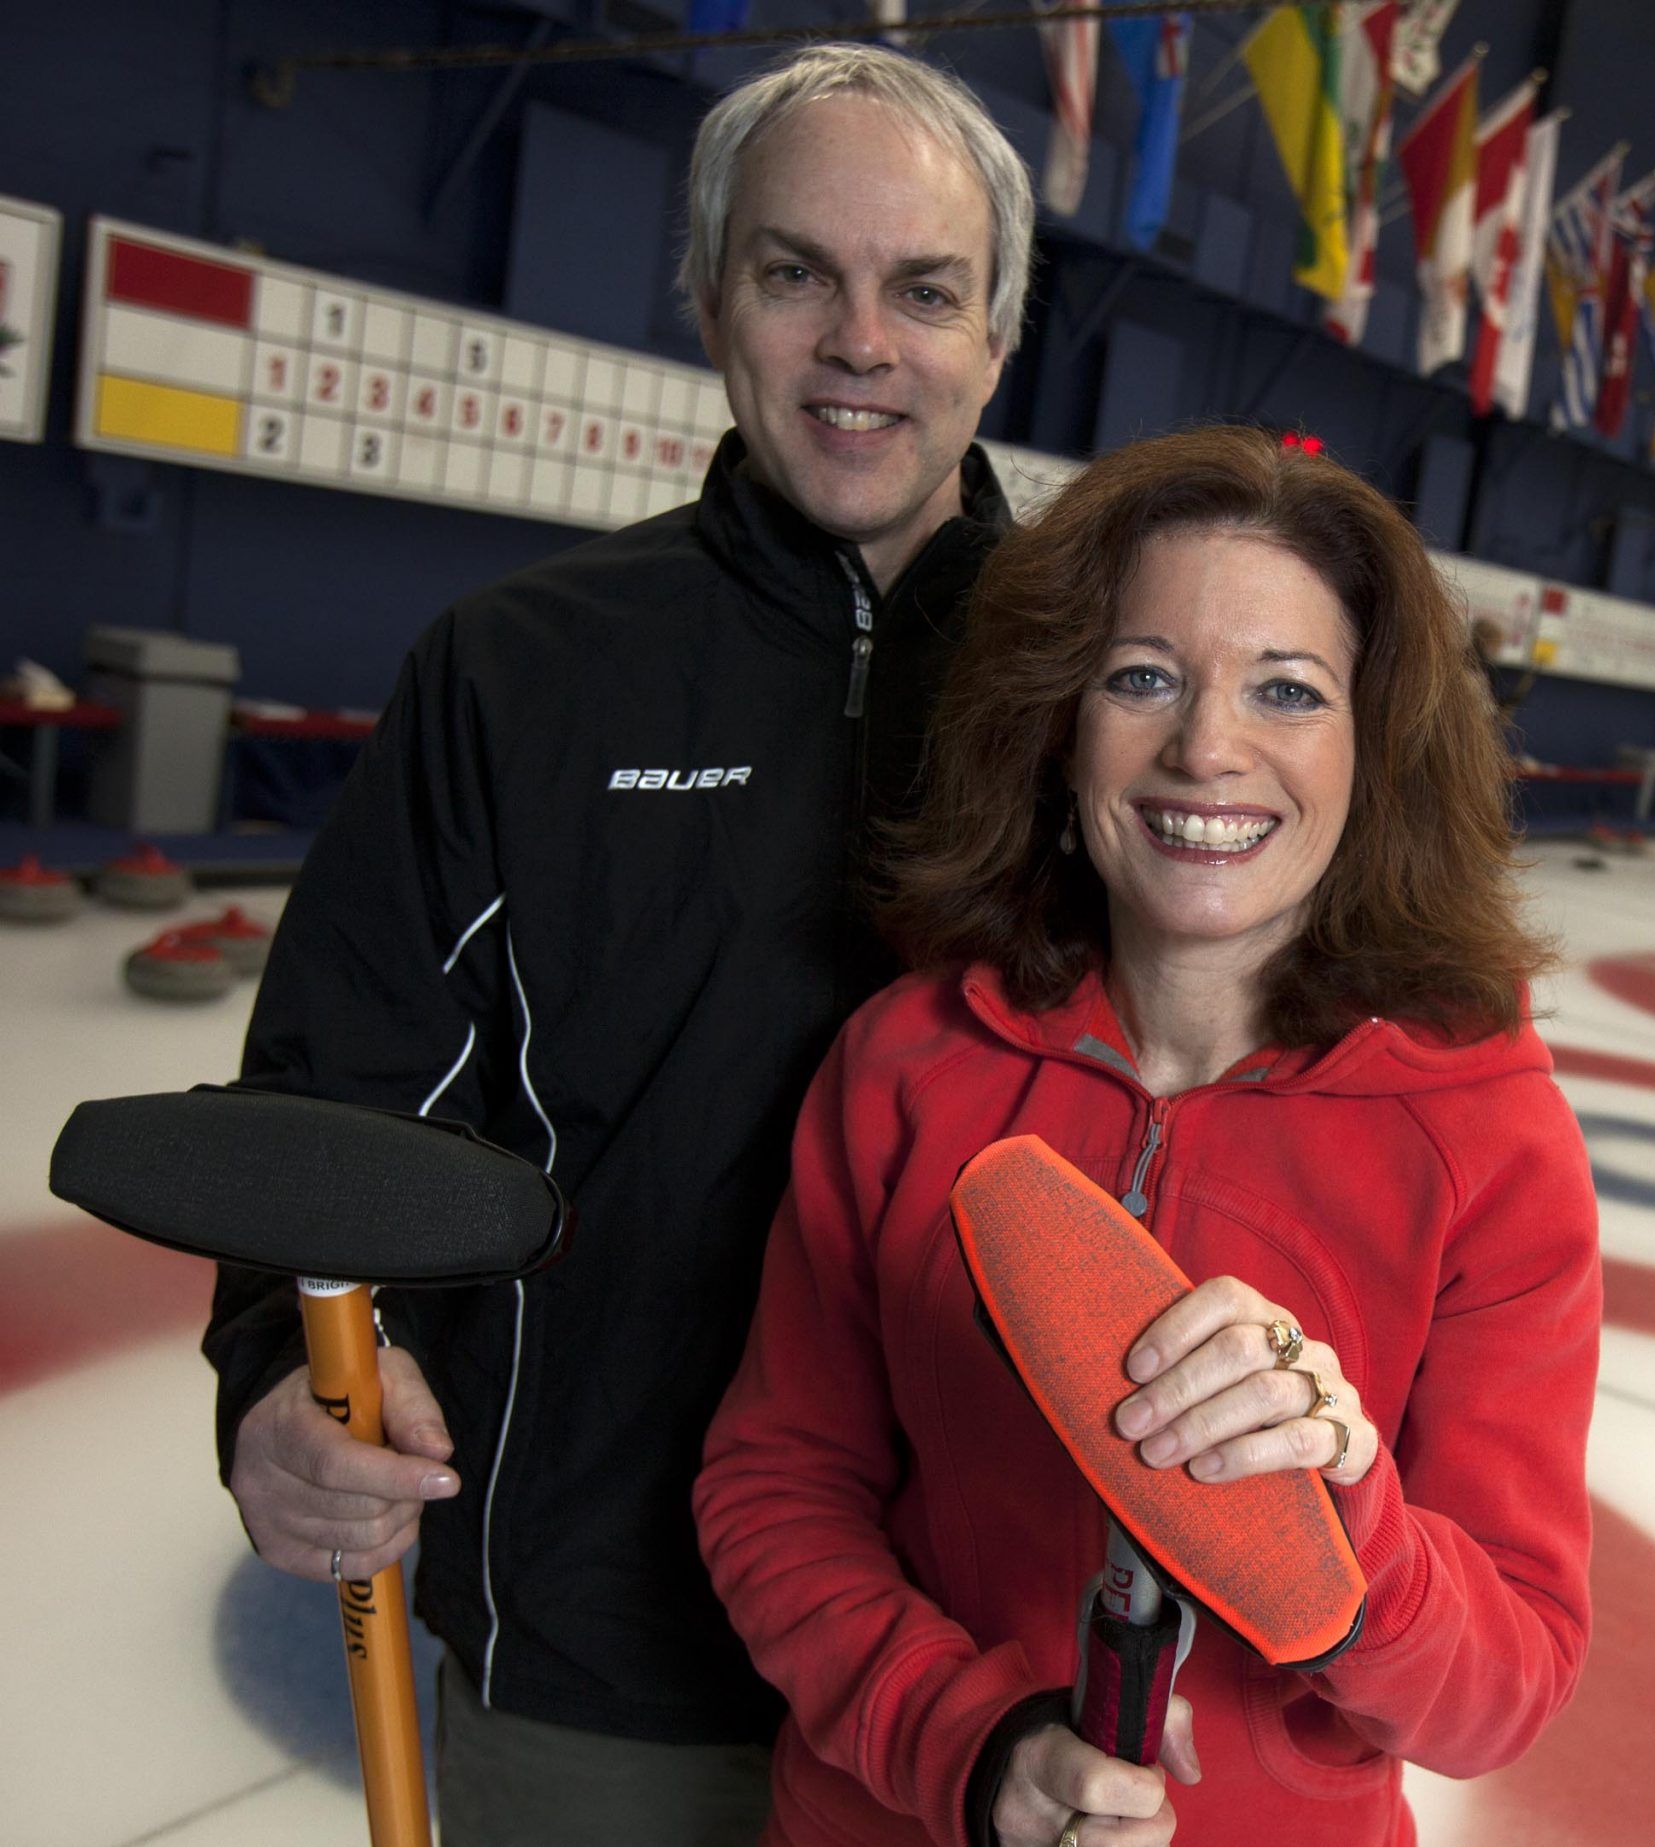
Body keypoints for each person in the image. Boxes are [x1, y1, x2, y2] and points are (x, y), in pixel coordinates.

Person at [199, 43, 1034, 1843]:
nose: (860, 341)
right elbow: (344, 1092)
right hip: (602, 1653)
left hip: (993, 1673)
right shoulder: (521, 670)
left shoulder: (1112, 687)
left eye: (926, 289)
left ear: (999, 332)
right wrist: (280, 1364)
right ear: (712, 295)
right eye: (796, 271)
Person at [695, 427, 1603, 1847]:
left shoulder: (1491, 1142)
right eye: (1142, 677)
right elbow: (776, 1485)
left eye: (1288, 690)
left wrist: (1344, 1523)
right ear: (1059, 730)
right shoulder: (906, 1062)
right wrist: (971, 1741)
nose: (1206, 747)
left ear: (1374, 756)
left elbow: (1504, 1687)